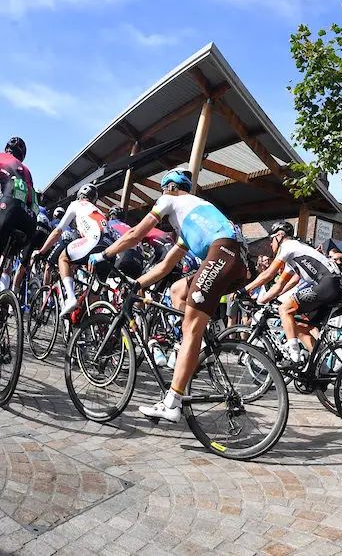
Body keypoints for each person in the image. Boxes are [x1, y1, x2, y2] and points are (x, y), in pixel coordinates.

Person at [93, 169, 249, 422]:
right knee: (177, 289)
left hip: (223, 253)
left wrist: (104, 254)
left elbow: (135, 235)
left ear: (170, 187)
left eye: (164, 190)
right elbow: (166, 266)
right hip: (238, 263)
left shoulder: (171, 199)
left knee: (191, 329)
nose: (162, 196)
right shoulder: (191, 220)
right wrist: (138, 283)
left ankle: (172, 402)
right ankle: (186, 345)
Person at [242, 221, 342, 366]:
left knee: (285, 309)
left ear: (280, 236)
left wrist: (245, 290)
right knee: (300, 327)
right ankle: (321, 367)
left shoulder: (288, 246)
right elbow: (281, 284)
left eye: (271, 240)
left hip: (328, 284)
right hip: (336, 287)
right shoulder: (297, 254)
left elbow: (269, 274)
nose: (270, 244)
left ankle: (294, 355)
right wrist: (262, 301)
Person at [36, 184, 110, 317]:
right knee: (92, 297)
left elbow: (58, 232)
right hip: (109, 250)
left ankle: (70, 298)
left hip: (93, 242)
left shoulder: (76, 204)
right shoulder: (99, 211)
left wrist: (42, 251)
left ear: (79, 195)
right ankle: (86, 328)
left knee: (63, 258)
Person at [1, 137, 38, 291]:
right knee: (6, 258)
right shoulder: (27, 171)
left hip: (10, 210)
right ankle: (4, 298)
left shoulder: (2, 158)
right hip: (30, 221)